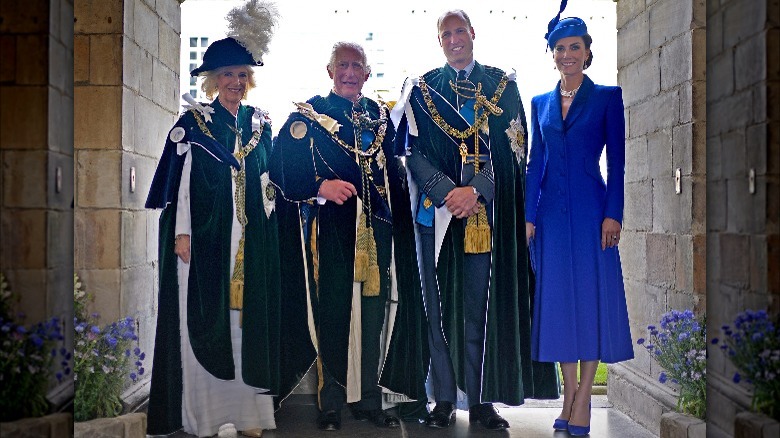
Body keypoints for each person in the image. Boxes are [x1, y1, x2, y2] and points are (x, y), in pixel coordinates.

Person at [390, 9, 559, 430]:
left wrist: (476, 190)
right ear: (440, 41)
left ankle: (482, 401)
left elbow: (515, 150)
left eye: (459, 31)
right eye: (445, 34)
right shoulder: (423, 88)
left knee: (479, 309)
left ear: (473, 34)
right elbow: (411, 153)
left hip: (486, 218)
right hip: (437, 215)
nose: (453, 39)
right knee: (438, 308)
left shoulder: (504, 87)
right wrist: (447, 192)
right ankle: (444, 398)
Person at [269, 41, 429, 432]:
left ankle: (369, 401)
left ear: (368, 74)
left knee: (373, 318)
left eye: (358, 65)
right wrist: (320, 186)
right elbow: (279, 169)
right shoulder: (307, 115)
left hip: (378, 235)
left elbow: (395, 170)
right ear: (330, 71)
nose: (350, 72)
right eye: (343, 65)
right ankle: (331, 402)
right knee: (334, 315)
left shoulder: (380, 116)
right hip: (331, 236)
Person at [144, 3, 281, 436]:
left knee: (246, 326)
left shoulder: (261, 123)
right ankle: (206, 416)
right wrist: (182, 232)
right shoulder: (194, 124)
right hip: (206, 239)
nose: (235, 83)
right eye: (227, 75)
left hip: (250, 240)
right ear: (212, 80)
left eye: (242, 75)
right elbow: (179, 185)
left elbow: (268, 178)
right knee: (205, 320)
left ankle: (249, 416)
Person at [524, 8, 634, 436]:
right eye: (560, 49)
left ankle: (584, 397)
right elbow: (536, 163)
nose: (567, 55)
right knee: (558, 307)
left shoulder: (607, 97)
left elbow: (618, 165)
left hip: (592, 215)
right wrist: (529, 216)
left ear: (588, 53)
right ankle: (569, 393)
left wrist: (613, 214)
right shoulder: (540, 103)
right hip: (550, 218)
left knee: (588, 304)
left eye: (575, 48)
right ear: (552, 55)